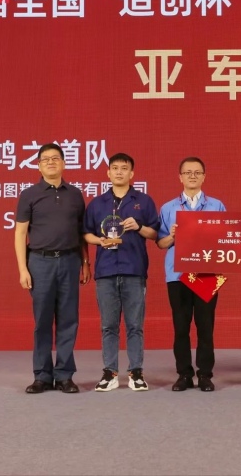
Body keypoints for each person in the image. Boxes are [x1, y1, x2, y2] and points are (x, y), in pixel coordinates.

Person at [15, 143, 90, 394]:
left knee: (69, 320)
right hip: (40, 263)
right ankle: (42, 376)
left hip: (70, 261)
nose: (50, 162)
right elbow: (20, 233)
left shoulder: (75, 194)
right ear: (38, 165)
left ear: (64, 164)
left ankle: (65, 375)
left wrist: (85, 262)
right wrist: (23, 269)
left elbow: (81, 232)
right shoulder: (29, 194)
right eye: (45, 159)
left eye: (55, 158)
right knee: (42, 321)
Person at [84, 153, 160, 392]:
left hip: (134, 270)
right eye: (114, 168)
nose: (119, 172)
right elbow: (86, 233)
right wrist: (99, 240)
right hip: (106, 271)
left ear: (132, 173)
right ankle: (110, 373)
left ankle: (136, 372)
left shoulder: (143, 201)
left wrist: (139, 226)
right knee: (108, 325)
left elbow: (155, 234)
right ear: (108, 173)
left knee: (135, 325)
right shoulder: (97, 203)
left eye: (124, 168)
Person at [157, 157, 227, 392]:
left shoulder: (217, 206)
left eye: (197, 172)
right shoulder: (168, 208)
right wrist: (173, 236)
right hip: (177, 275)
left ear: (204, 176)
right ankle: (184, 374)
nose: (192, 176)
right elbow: (160, 243)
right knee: (181, 326)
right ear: (180, 177)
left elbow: (226, 238)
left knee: (206, 326)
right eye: (188, 172)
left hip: (207, 273)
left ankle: (205, 374)